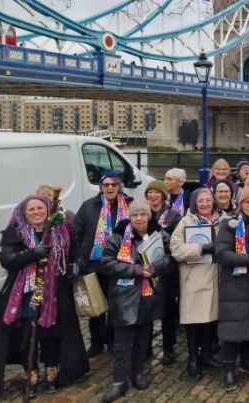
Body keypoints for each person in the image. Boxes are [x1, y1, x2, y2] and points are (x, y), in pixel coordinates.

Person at [0, 195, 88, 398]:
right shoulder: (15, 232)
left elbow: (76, 254)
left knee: (50, 333)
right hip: (28, 292)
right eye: (32, 210)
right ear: (24, 213)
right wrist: (32, 254)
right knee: (28, 333)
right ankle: (32, 372)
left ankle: (52, 371)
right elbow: (6, 259)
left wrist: (76, 265)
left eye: (40, 208)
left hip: (55, 291)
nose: (36, 212)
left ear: (47, 210)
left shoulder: (61, 230)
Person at [100, 200, 175, 402]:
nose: (140, 218)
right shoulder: (117, 236)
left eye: (143, 214)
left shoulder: (160, 235)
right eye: (135, 215)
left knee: (143, 339)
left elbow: (171, 258)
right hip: (124, 296)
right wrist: (135, 270)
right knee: (122, 342)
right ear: (130, 217)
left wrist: (156, 267)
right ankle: (119, 381)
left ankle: (137, 373)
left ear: (149, 215)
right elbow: (106, 263)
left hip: (149, 294)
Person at [215, 187, 249, 391]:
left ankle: (247, 360)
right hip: (234, 284)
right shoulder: (228, 224)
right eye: (246, 202)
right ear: (240, 204)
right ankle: (228, 367)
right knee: (233, 326)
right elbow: (221, 254)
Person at [72, 171, 132, 357]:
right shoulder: (89, 206)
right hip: (94, 265)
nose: (110, 188)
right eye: (106, 185)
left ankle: (113, 340)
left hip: (119, 265)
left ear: (119, 186)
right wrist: (80, 257)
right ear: (101, 187)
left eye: (114, 184)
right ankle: (97, 342)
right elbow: (76, 232)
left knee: (116, 306)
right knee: (96, 308)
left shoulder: (128, 206)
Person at [169, 189, 220, 380]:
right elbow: (176, 249)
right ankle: (192, 358)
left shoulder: (221, 221)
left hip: (214, 276)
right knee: (194, 321)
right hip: (194, 276)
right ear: (194, 203)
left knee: (209, 319)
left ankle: (206, 355)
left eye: (208, 200)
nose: (205, 204)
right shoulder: (186, 222)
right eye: (201, 201)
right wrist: (200, 248)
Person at [144, 180, 182, 365]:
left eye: (156, 192)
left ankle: (168, 348)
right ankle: (146, 347)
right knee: (147, 309)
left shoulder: (174, 216)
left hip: (167, 272)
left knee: (168, 312)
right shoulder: (142, 214)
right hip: (146, 271)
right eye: (150, 192)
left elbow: (176, 243)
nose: (153, 196)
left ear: (163, 196)